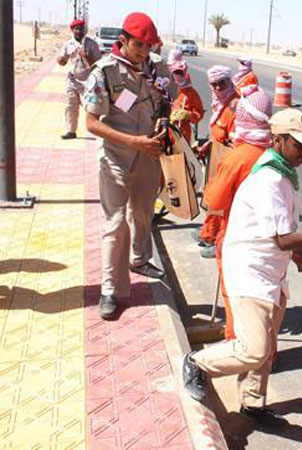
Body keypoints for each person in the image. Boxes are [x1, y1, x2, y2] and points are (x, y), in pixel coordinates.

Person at [180, 108, 302, 425]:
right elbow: (282, 238)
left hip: (268, 269)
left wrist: (296, 255)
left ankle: (252, 403)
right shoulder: (269, 179)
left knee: (267, 344)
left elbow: (277, 232)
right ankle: (196, 363)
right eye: (298, 145)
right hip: (251, 271)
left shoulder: (283, 174)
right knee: (254, 349)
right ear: (277, 140)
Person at [84, 12, 177, 320]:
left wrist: (163, 122)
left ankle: (139, 259)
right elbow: (92, 123)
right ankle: (110, 289)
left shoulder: (156, 67)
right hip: (116, 155)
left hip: (148, 154)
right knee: (114, 224)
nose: (144, 51)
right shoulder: (106, 72)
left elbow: (168, 101)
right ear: (123, 40)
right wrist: (133, 141)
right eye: (139, 45)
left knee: (142, 212)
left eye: (149, 45)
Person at [204, 84, 273, 340]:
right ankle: (266, 353)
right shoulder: (274, 154)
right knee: (265, 300)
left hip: (236, 239)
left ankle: (239, 349)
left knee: (235, 298)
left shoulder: (237, 158)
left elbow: (214, 200)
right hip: (269, 241)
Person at [190, 65, 239, 257]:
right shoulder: (220, 103)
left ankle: (220, 245)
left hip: (228, 160)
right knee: (212, 197)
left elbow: (236, 139)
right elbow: (218, 132)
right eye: (214, 85)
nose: (218, 88)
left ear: (230, 81)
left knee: (223, 202)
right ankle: (209, 233)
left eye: (222, 83)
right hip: (217, 156)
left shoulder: (235, 106)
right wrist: (209, 144)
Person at [56, 19, 101, 140]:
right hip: (73, 80)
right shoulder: (68, 44)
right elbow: (63, 62)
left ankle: (98, 130)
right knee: (71, 105)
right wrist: (60, 60)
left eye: (81, 29)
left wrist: (86, 56)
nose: (78, 31)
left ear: (84, 30)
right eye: (76, 29)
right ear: (72, 30)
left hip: (88, 81)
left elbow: (98, 64)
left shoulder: (92, 44)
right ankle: (71, 131)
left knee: (91, 106)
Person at [168, 48, 204, 144]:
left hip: (181, 136)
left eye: (179, 72)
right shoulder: (162, 87)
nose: (177, 75)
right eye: (174, 73)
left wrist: (188, 115)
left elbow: (199, 114)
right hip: (162, 134)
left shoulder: (190, 93)